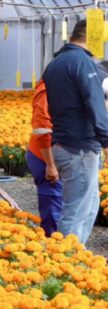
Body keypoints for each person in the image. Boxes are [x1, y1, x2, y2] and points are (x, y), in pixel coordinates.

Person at [41, 19, 108, 245]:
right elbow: (95, 104)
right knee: (76, 210)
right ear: (92, 37)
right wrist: (107, 140)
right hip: (78, 147)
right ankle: (65, 257)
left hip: (65, 143)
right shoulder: (83, 63)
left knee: (89, 206)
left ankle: (75, 254)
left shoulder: (56, 63)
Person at [26, 79, 62, 237]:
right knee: (52, 198)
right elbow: (42, 127)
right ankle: (51, 240)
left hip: (54, 153)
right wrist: (50, 164)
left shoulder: (59, 85)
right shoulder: (47, 89)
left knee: (58, 200)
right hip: (44, 155)